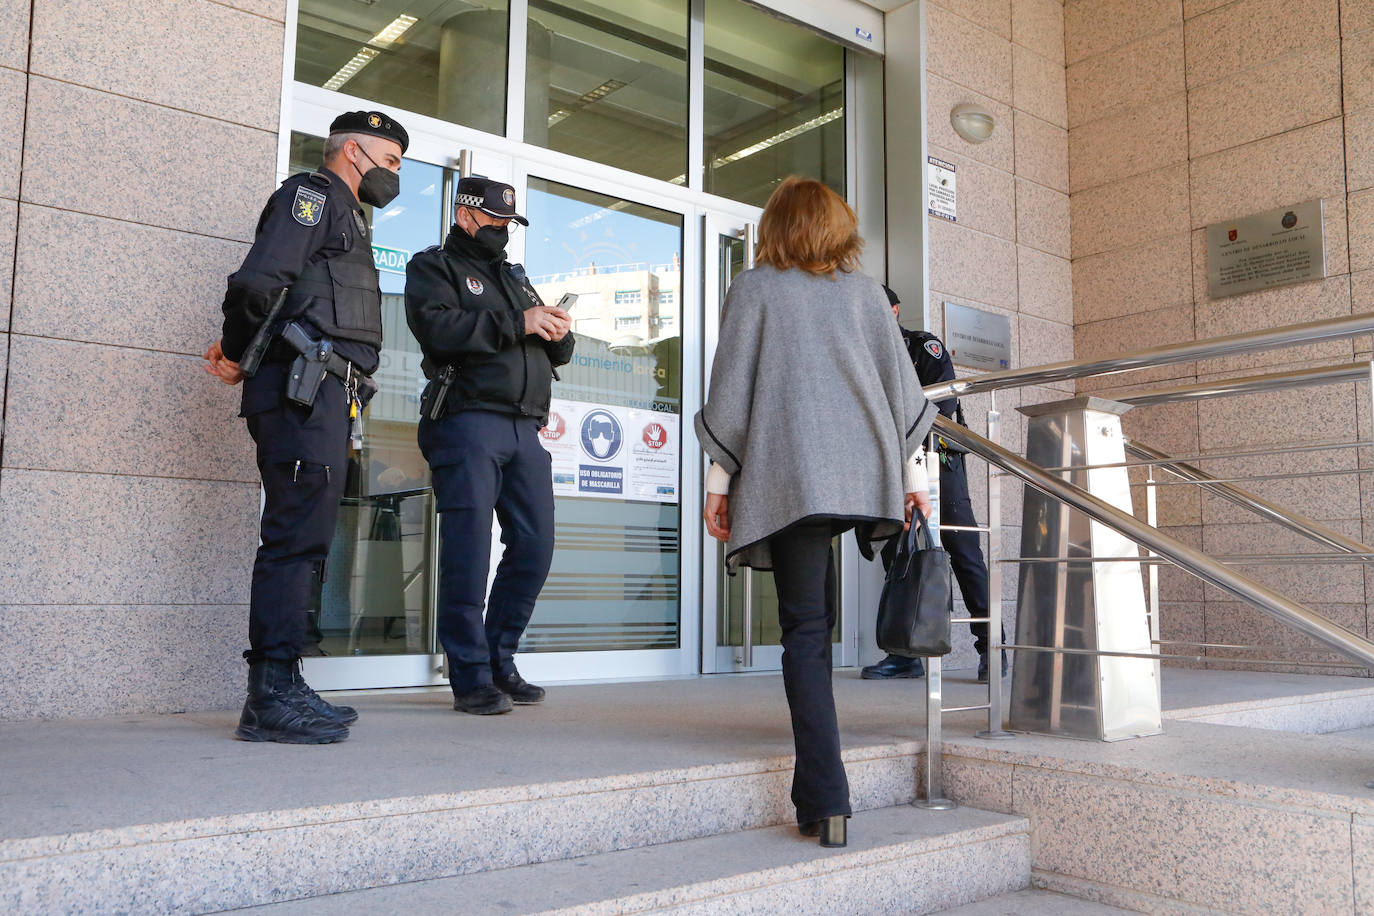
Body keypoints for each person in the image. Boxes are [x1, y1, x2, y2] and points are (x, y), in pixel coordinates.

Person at [695, 176, 936, 848]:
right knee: (817, 623)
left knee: (805, 630)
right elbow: (901, 394)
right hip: (861, 473)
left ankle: (828, 800)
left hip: (789, 476)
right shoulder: (866, 295)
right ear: (840, 227)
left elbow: (731, 394)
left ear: (775, 227)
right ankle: (822, 793)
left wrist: (719, 483)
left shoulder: (754, 288)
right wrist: (915, 480)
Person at [203, 109, 408, 743]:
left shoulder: (349, 216)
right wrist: (238, 352)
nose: (394, 174)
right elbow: (257, 284)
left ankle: (287, 682)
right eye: (389, 161)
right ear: (352, 152)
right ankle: (267, 699)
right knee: (293, 539)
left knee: (308, 539)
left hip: (326, 397)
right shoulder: (311, 197)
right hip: (300, 393)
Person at [405, 176, 576, 716]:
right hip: (468, 421)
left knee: (535, 546)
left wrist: (557, 330)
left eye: (509, 223)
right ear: (466, 214)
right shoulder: (434, 267)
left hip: (525, 428)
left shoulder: (514, 276)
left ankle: (500, 660)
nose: (503, 230)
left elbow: (558, 352)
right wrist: (519, 322)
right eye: (495, 220)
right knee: (469, 551)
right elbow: (438, 330)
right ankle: (470, 676)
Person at [861, 286, 1007, 684]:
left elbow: (941, 406)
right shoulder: (863, 355)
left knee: (964, 552)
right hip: (892, 467)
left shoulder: (924, 348)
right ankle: (904, 653)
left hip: (938, 462)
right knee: (901, 555)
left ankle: (991, 648)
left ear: (894, 310)